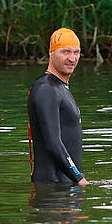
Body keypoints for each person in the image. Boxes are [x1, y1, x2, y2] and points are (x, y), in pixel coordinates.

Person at [27, 28, 89, 186]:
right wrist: (78, 178)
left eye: (76, 52)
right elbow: (52, 142)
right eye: (66, 52)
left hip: (63, 186)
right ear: (51, 53)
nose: (72, 58)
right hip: (51, 190)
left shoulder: (60, 88)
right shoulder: (47, 89)